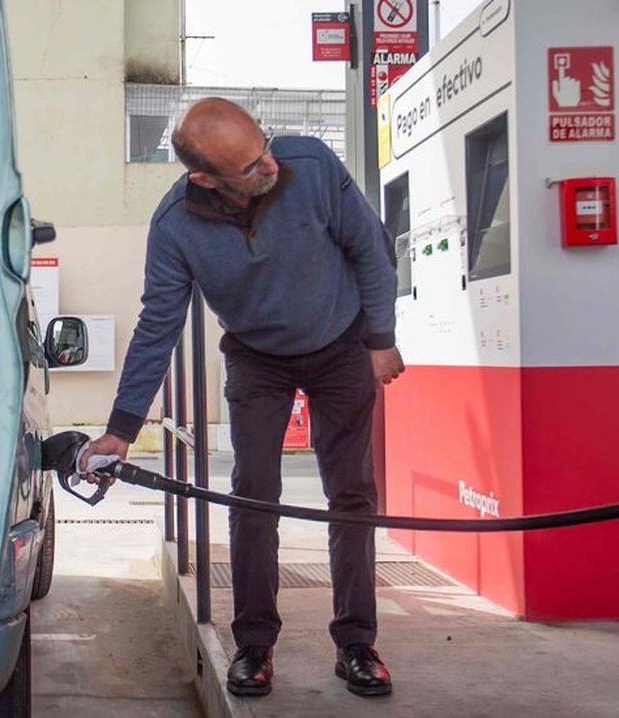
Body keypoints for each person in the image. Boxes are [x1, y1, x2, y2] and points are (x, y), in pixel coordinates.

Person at [80, 97, 405, 698]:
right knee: (254, 493)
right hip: (257, 357)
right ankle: (254, 646)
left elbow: (371, 249)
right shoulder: (175, 226)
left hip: (341, 344)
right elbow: (159, 324)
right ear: (204, 178)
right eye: (250, 167)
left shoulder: (307, 163)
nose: (270, 167)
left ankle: (357, 642)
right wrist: (122, 428)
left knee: (351, 493)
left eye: (265, 149)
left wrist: (380, 339)